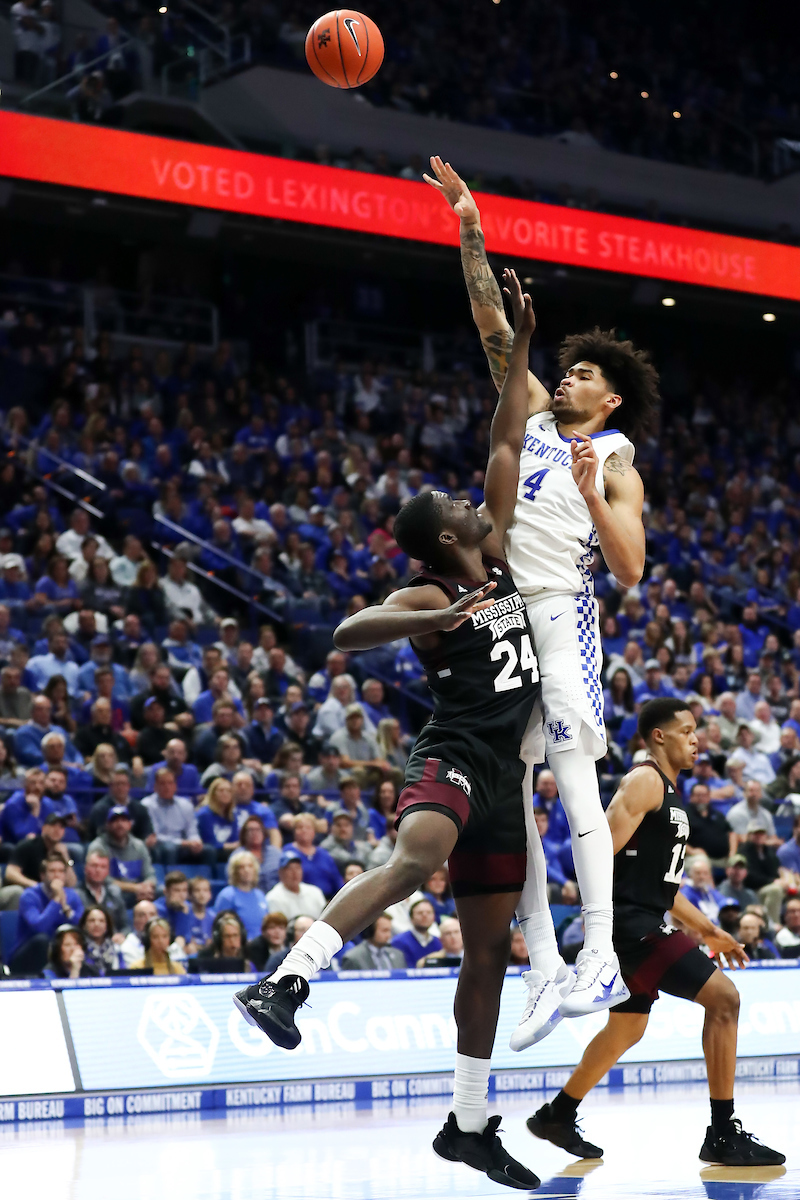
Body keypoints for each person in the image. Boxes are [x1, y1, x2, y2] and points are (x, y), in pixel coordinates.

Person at [235, 272, 542, 1192]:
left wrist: (522, 340)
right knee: (414, 855)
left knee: (488, 955)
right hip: (452, 754)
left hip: (507, 780)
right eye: (457, 509)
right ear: (442, 536)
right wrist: (433, 624)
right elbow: (345, 632)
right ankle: (287, 980)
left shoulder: (493, 552)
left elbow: (507, 432)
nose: (470, 504)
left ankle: (470, 1122)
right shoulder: (429, 593)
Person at [426, 160, 653, 1045]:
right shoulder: (531, 417)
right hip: (507, 616)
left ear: (612, 396)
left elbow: (630, 568)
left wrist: (597, 493)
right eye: (566, 368)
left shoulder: (620, 453)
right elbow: (489, 319)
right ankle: (548, 964)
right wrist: (470, 224)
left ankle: (599, 949)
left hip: (562, 614)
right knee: (508, 793)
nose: (567, 379)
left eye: (585, 372)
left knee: (572, 780)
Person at [527, 698, 784, 1167]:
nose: (697, 740)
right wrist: (598, 926)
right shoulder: (645, 780)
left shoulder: (669, 791)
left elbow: (666, 885)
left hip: (644, 918)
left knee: (628, 1027)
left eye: (696, 731)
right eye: (687, 731)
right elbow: (595, 850)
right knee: (724, 1000)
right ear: (660, 736)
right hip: (631, 925)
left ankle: (557, 1116)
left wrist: (709, 930)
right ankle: (723, 1132)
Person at [9, 855, 84, 975]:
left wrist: (66, 909)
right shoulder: (29, 896)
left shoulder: (72, 896)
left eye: (61, 871)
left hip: (59, 954)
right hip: (27, 955)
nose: (57, 875)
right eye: (52, 871)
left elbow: (82, 925)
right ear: (42, 875)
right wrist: (56, 900)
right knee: (42, 940)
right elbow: (39, 927)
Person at [142, 768, 215, 868]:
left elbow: (192, 831)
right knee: (170, 849)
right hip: (161, 846)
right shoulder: (147, 805)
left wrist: (196, 842)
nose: (167, 787)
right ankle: (171, 880)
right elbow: (156, 836)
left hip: (185, 845)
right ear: (155, 786)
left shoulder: (186, 804)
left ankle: (206, 881)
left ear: (175, 786)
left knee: (209, 850)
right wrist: (183, 843)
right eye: (162, 783)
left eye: (170, 783)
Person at [87, 807, 157, 906]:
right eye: (115, 820)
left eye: (123, 820)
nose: (120, 824)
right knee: (114, 891)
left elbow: (150, 874)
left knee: (159, 891)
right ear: (107, 825)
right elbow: (102, 879)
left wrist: (147, 886)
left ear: (130, 824)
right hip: (113, 893)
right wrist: (134, 888)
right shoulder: (98, 846)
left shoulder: (139, 846)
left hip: (138, 892)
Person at [213, 850, 270, 939]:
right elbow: (220, 927)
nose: (246, 870)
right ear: (235, 871)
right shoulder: (227, 896)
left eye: (250, 866)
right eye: (241, 867)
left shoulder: (260, 895)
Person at [285, 813, 343, 898]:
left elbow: (337, 880)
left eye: (308, 827)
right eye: (300, 827)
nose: (304, 830)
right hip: (300, 899)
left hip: (328, 900)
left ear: (314, 831)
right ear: (294, 831)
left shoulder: (324, 854)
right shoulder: (289, 852)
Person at [264, 848, 327, 922]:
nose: (294, 873)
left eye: (297, 868)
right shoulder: (273, 898)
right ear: (280, 873)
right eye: (289, 869)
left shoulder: (315, 892)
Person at [77, 849, 128, 932]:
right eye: (94, 866)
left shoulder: (115, 893)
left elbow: (125, 926)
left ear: (108, 871)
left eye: (103, 867)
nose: (98, 870)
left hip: (113, 941)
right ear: (85, 868)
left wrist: (122, 935)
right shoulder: (76, 894)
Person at [339, 913, 406, 970]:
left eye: (390, 931)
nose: (389, 935)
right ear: (370, 931)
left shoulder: (399, 955)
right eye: (384, 931)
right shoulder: (353, 958)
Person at [392, 898, 442, 966]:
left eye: (429, 912)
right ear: (411, 918)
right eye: (420, 913)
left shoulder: (439, 942)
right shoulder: (399, 942)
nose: (425, 916)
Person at [78, 904, 123, 973]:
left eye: (101, 921)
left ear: (107, 925)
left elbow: (123, 973)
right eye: (92, 921)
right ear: (84, 925)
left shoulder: (116, 949)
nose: (97, 924)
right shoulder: (79, 949)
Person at [119, 899, 158, 966]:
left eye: (152, 914)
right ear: (134, 921)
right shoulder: (127, 948)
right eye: (142, 915)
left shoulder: (168, 943)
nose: (148, 919)